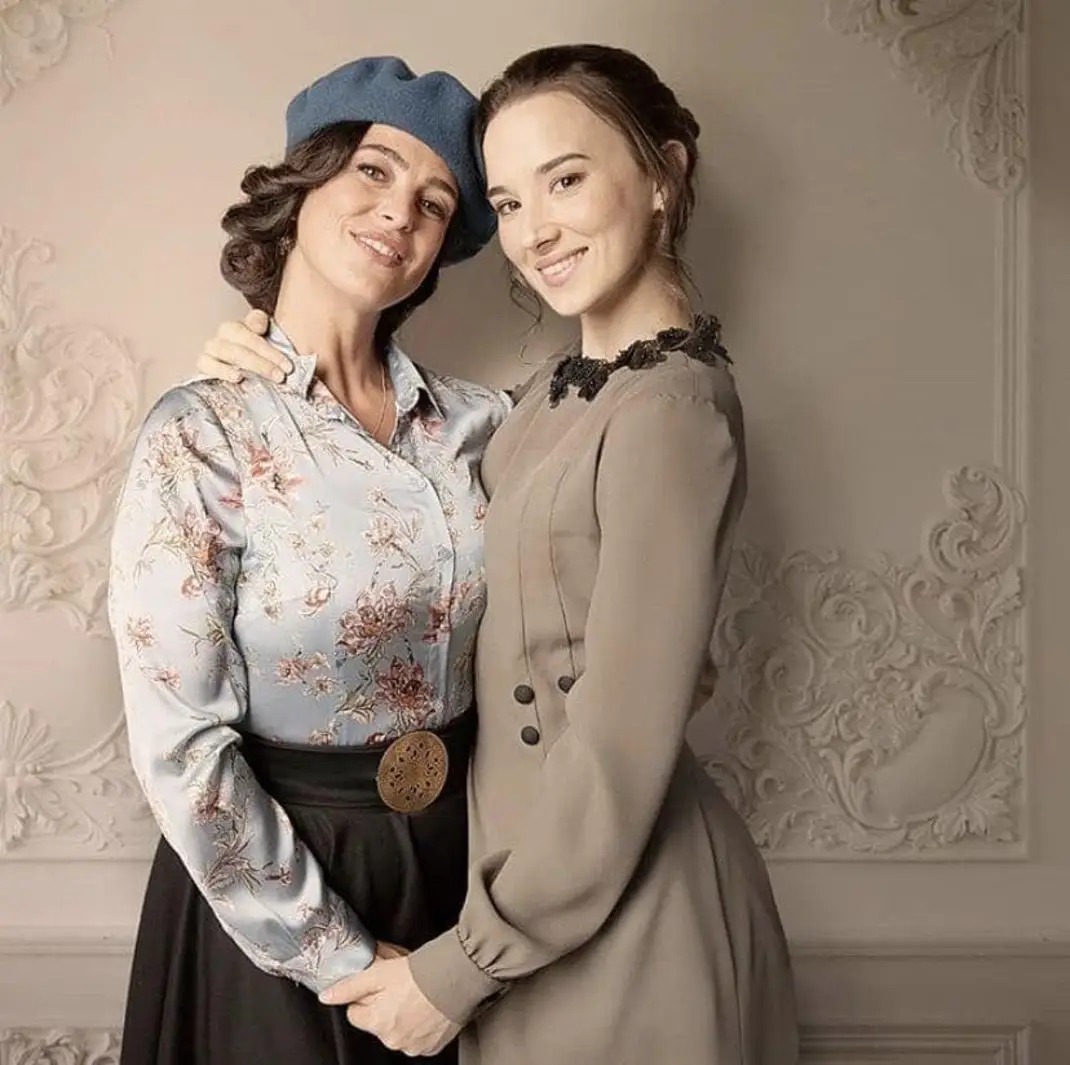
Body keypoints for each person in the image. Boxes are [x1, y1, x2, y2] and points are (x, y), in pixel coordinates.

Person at [197, 43, 799, 1065]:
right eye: (509, 202)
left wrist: (463, 968)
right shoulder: (542, 402)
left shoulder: (672, 410)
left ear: (663, 174)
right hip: (516, 904)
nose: (535, 232)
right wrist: (251, 373)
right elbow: (383, 502)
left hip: (617, 915)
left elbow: (617, 746)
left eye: (565, 181)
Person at [107, 56, 510, 1065]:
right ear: (305, 180)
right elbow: (180, 744)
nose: (400, 212)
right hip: (275, 893)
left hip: (463, 877)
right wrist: (338, 956)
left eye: (434, 202)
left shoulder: (484, 426)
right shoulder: (203, 432)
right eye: (373, 170)